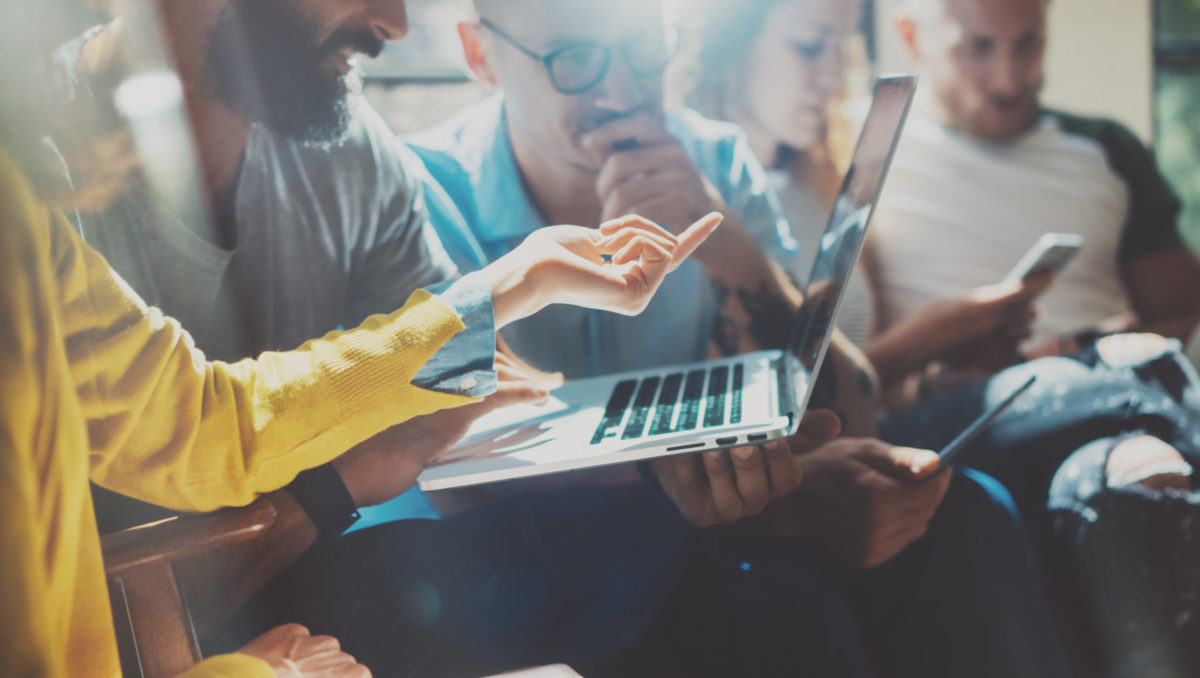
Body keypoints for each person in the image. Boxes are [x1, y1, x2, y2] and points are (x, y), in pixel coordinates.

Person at [0, 5, 721, 675]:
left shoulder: (345, 140)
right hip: (154, 621)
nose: (396, 23)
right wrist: (329, 490)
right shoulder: (30, 182)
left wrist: (654, 448)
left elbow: (220, 420)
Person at [393, 1, 1076, 676]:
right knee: (782, 608)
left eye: (644, 49)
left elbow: (854, 405)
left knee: (967, 512)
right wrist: (781, 496)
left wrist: (726, 244)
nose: (624, 93)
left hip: (716, 523)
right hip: (526, 559)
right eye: (573, 60)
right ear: (481, 55)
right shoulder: (425, 195)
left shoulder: (712, 157)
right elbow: (457, 468)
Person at [675, 0, 1200, 674]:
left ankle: (1142, 395)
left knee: (1128, 465)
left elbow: (860, 377)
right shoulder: (707, 197)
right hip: (833, 453)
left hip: (893, 415)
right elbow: (798, 392)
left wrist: (940, 363)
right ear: (730, 45)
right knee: (1021, 451)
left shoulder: (826, 173)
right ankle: (1148, 386)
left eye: (840, 50)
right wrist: (931, 336)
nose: (830, 75)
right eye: (810, 48)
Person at [879, 0, 1200, 367]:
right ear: (910, 37)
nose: (1009, 81)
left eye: (1028, 43)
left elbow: (1185, 315)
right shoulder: (862, 157)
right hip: (945, 411)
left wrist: (1115, 352)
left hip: (1114, 390)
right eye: (977, 49)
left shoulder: (1108, 149)